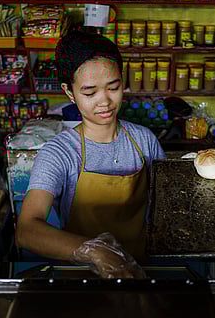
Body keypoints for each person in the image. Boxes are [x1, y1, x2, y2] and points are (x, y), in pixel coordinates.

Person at [16, 29, 166, 278]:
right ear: (69, 92)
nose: (104, 101)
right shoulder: (59, 153)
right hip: (84, 276)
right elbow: (27, 230)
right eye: (89, 92)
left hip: (140, 270)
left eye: (113, 87)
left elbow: (165, 206)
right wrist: (96, 252)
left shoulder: (144, 141)